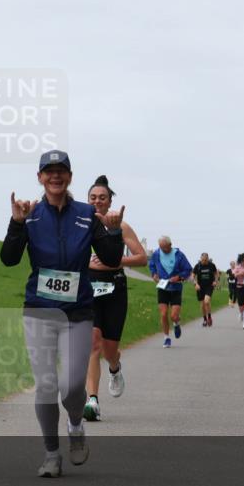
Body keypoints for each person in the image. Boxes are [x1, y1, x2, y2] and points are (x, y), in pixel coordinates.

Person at [0, 150, 124, 477]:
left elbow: (110, 257)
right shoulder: (31, 214)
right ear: (40, 177)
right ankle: (51, 453)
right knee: (45, 385)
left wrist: (113, 230)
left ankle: (75, 424)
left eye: (61, 172)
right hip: (39, 311)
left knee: (71, 387)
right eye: (48, 172)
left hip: (77, 313)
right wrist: (16, 223)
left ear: (70, 177)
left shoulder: (86, 214)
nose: (55, 177)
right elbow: (9, 259)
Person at [83, 175, 147, 422]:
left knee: (110, 350)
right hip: (88, 287)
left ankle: (115, 367)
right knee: (93, 342)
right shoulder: (80, 223)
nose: (97, 201)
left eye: (102, 198)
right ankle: (92, 401)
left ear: (110, 201)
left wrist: (115, 260)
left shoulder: (121, 226)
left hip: (113, 288)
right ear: (87, 200)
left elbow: (142, 258)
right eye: (93, 197)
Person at [148, 236, 193, 348]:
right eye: (161, 247)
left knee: (173, 316)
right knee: (163, 314)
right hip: (162, 287)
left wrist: (178, 277)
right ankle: (166, 338)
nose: (163, 249)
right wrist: (154, 274)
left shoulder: (179, 255)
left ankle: (176, 323)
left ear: (170, 245)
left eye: (165, 247)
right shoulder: (156, 254)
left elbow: (188, 269)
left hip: (176, 288)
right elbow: (152, 265)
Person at [192, 253, 219, 327]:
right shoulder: (198, 266)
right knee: (202, 304)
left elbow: (216, 274)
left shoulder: (211, 265)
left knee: (206, 301)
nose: (204, 261)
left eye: (205, 260)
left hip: (209, 286)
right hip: (200, 287)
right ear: (200, 258)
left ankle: (209, 317)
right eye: (202, 260)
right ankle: (204, 319)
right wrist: (195, 284)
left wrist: (215, 281)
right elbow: (193, 276)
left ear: (208, 259)